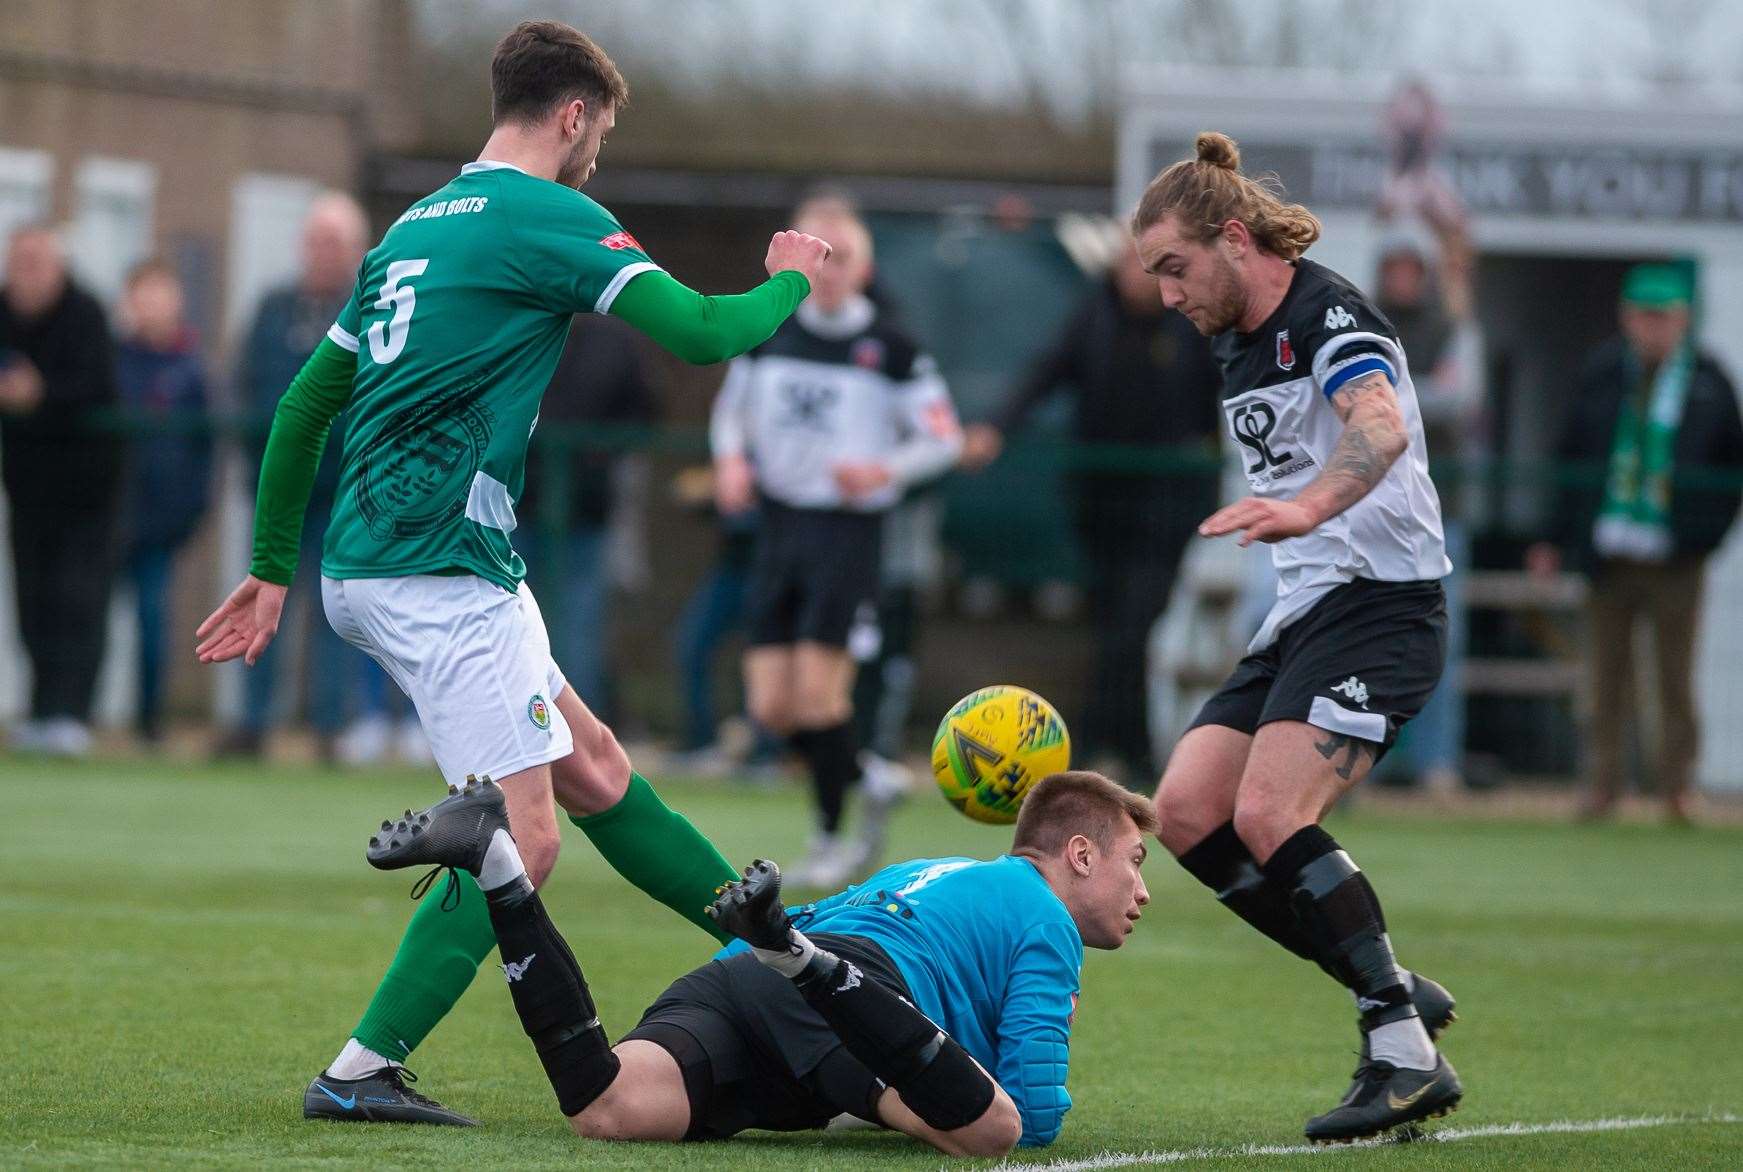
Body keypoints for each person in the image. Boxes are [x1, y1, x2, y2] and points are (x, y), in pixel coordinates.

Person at [195, 19, 831, 1124]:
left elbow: (305, 403)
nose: (599, 155)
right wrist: (789, 282)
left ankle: (788, 962)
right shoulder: (552, 214)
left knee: (593, 767)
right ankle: (357, 1070)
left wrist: (270, 568)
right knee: (524, 836)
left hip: (402, 562)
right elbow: (699, 331)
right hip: (435, 571)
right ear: (575, 114)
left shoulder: (411, 228)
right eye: (602, 131)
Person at [1135, 133, 1461, 1143]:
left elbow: (1380, 425)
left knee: (1271, 812)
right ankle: (1386, 977)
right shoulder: (1232, 336)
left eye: (1175, 267)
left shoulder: (1330, 314)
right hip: (1308, 611)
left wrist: (1309, 505)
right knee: (1188, 810)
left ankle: (1400, 1049)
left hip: (1384, 604)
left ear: (1234, 239)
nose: (1165, 294)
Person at [360, 769, 1153, 1154]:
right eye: (1135, 860)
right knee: (992, 1131)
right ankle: (800, 961)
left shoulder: (930, 870)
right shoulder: (1044, 917)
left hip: (747, 974)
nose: (1142, 890)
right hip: (835, 988)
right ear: (1077, 855)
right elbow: (1037, 1120)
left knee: (604, 1106)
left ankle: (499, 871)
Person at [710, 203, 963, 889]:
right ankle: (868, 773)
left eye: (842, 256)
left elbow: (943, 439)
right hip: (780, 526)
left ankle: (826, 838)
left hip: (846, 535)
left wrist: (886, 470)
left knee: (820, 700)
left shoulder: (894, 349)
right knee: (768, 709)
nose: (829, 271)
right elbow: (730, 412)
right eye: (818, 255)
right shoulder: (770, 334)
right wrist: (732, 461)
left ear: (865, 268)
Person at [963, 237, 1223, 780]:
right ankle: (1132, 749)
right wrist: (994, 430)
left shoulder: (1193, 326)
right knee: (1112, 623)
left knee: (1135, 621)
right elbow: (1044, 374)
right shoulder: (1094, 317)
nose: (1142, 277)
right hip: (1100, 502)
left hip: (1168, 505)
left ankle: (1100, 743)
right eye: (1133, 264)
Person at [1527, 264, 1743, 823]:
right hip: (1608, 552)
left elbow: (1729, 470)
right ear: (1627, 318)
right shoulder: (1602, 373)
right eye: (1644, 316)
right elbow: (1570, 454)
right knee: (1604, 677)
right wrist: (1553, 537)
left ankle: (1676, 789)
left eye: (1664, 317)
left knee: (1674, 678)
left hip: (1676, 557)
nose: (1653, 328)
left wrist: (1703, 537)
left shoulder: (1710, 381)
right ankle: (1602, 787)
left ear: (1683, 320)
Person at [226, 192, 401, 762]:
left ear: (357, 251)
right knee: (262, 602)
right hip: (284, 495)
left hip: (345, 495)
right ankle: (253, 724)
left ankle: (331, 727)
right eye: (316, 241)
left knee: (337, 615)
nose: (323, 253)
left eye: (336, 243)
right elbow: (249, 385)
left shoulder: (379, 306)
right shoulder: (273, 307)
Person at [0, 224, 122, 757]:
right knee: (32, 604)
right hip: (27, 491)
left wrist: (40, 394)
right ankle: (41, 710)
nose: (27, 273)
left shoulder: (87, 313)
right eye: (19, 261)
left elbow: (96, 387)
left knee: (78, 601)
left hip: (87, 493)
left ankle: (72, 714)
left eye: (38, 262)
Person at [1370, 231, 1484, 793]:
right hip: (1374, 510)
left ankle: (1436, 765)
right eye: (1393, 266)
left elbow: (1460, 396)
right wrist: (1416, 394)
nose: (1401, 278)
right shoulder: (1359, 322)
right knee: (1368, 642)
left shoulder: (1452, 327)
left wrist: (1383, 397)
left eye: (1411, 267)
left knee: (1441, 640)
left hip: (1440, 511)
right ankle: (1370, 764)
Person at [519, 312, 656, 718]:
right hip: (516, 506)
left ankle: (575, 732)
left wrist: (598, 457)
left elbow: (643, 412)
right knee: (510, 623)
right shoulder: (523, 322)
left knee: (579, 626)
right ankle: (514, 724)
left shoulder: (616, 339)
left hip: (587, 510)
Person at [116, 258, 213, 742]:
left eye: (160, 293)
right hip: (109, 520)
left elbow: (203, 452)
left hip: (160, 524)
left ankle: (148, 724)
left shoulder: (189, 370)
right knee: (86, 624)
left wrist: (189, 513)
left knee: (154, 626)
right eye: (142, 293)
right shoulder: (112, 360)